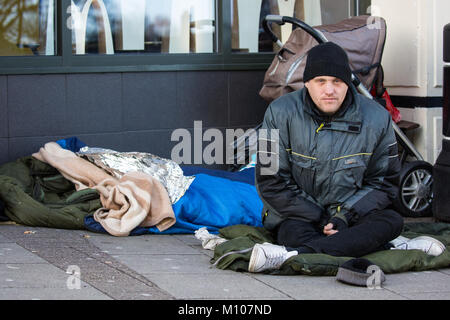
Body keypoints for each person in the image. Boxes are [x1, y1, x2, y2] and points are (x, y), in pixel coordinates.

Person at [249, 42, 445, 273]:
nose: (329, 90)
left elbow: (383, 183)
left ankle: (295, 255)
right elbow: (271, 180)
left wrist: (343, 217)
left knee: (392, 221)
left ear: (347, 83)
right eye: (321, 81)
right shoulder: (279, 112)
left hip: (354, 216)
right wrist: (319, 215)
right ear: (307, 83)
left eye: (337, 82)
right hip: (300, 215)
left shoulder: (378, 119)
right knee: (292, 233)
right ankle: (385, 247)